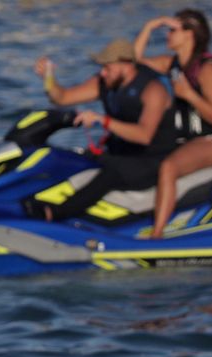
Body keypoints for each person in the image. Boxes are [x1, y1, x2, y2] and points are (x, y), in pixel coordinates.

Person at [28, 38, 176, 222]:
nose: (103, 73)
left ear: (126, 65)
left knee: (112, 174)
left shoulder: (153, 90)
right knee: (73, 159)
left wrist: (103, 120)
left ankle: (55, 214)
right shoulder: (106, 82)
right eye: (102, 68)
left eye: (108, 68)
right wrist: (49, 78)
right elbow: (63, 98)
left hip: (152, 159)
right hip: (120, 153)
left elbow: (144, 135)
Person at [132, 9, 212, 239]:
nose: (167, 35)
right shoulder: (173, 64)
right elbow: (133, 65)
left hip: (211, 141)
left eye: (173, 30)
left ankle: (157, 235)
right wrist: (149, 26)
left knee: (168, 167)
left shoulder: (208, 69)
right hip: (181, 140)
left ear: (190, 34)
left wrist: (189, 95)